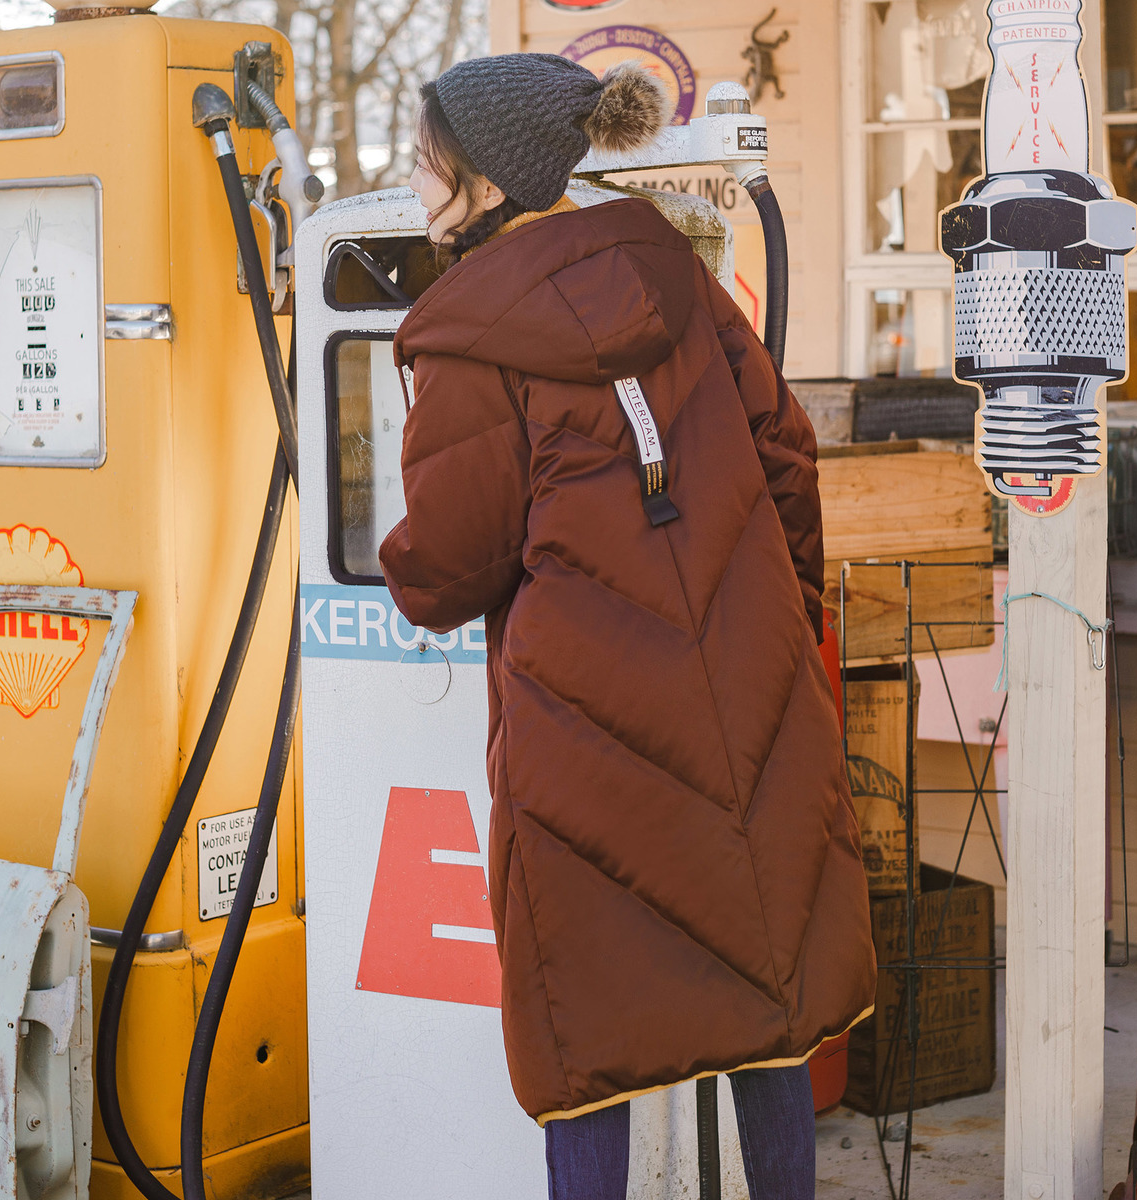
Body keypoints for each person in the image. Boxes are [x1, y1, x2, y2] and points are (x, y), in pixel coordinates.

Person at [379, 52, 876, 1200]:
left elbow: (448, 566)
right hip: (749, 702)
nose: (411, 182)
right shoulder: (679, 277)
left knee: (588, 1032)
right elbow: (786, 458)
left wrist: (388, 564)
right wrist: (779, 630)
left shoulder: (462, 339)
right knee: (771, 999)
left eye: (425, 160)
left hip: (581, 739)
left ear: (489, 179)